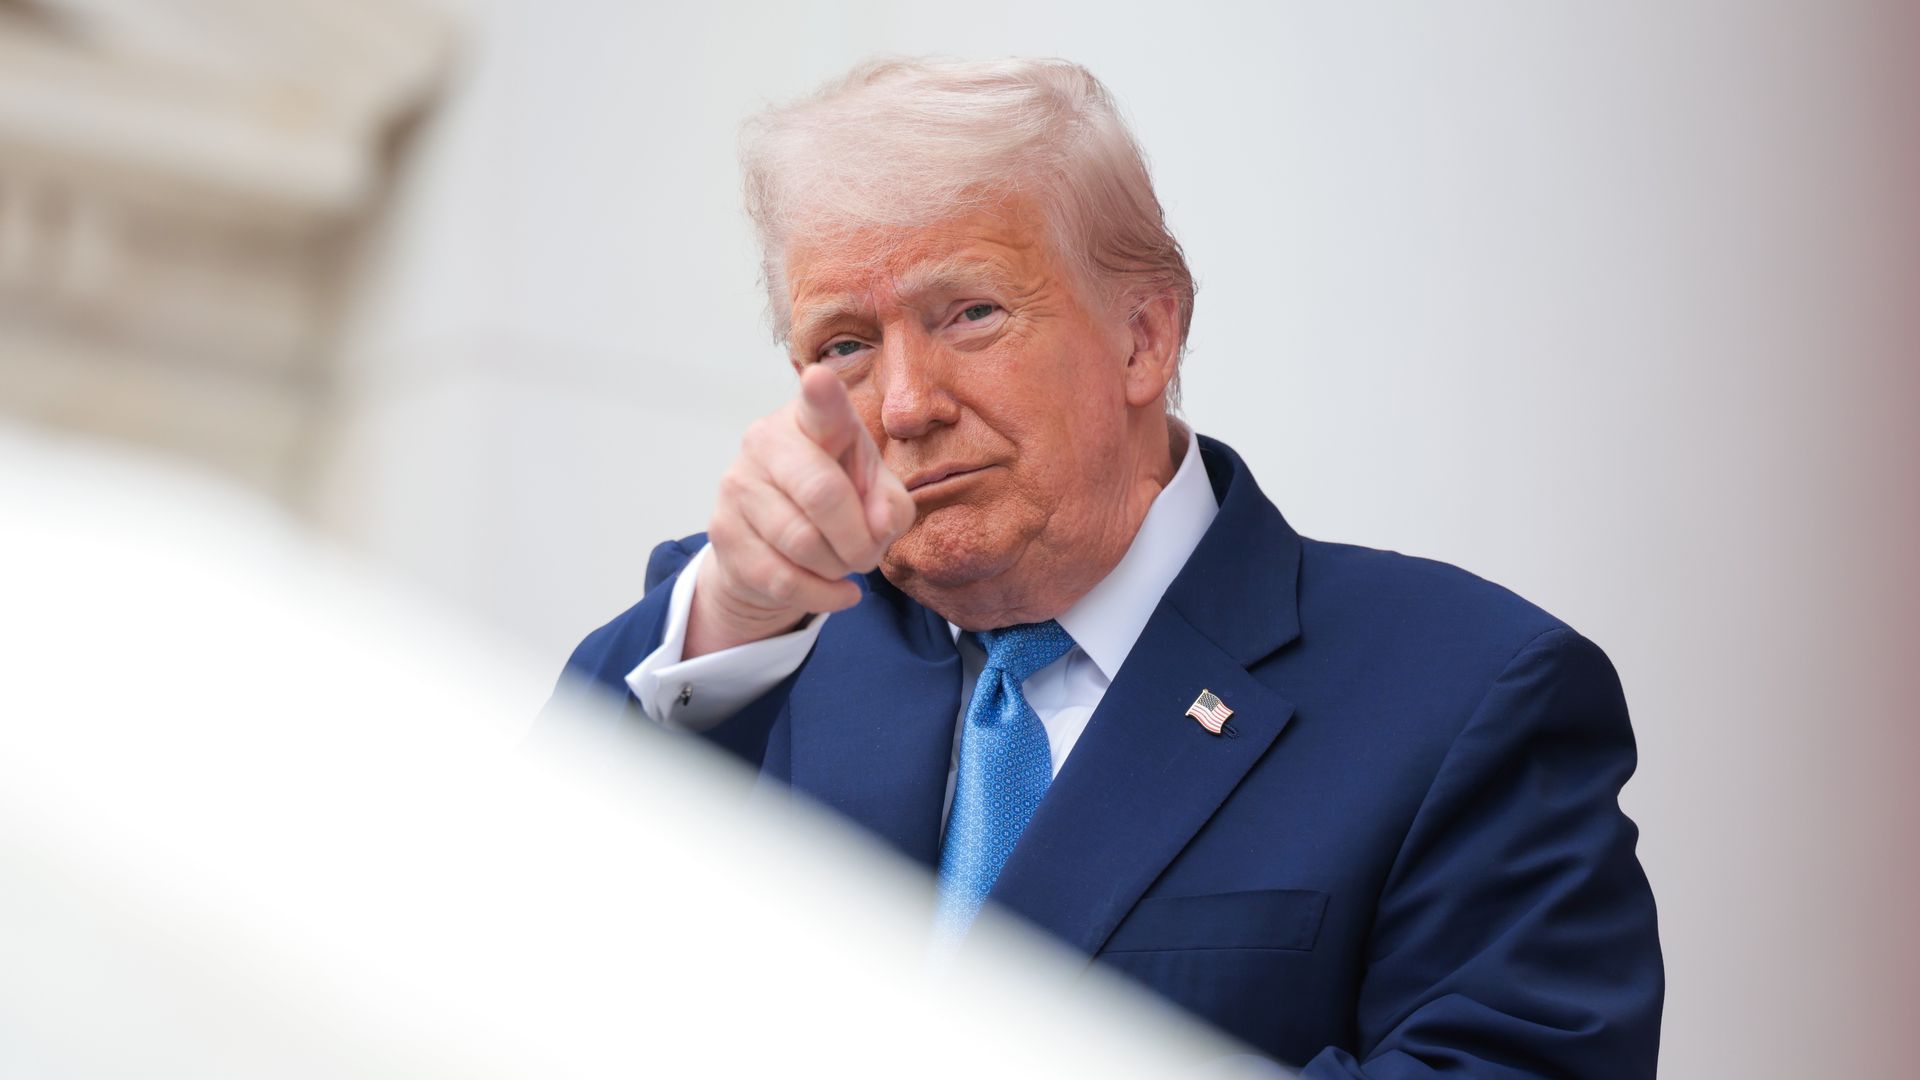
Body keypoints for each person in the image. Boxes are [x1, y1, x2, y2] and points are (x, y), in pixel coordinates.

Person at [553, 57, 1662, 1076]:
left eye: (971, 313)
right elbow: (513, 934)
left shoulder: (1464, 693)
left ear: (1145, 337)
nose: (902, 405)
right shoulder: (750, 649)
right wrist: (734, 615)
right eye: (844, 343)